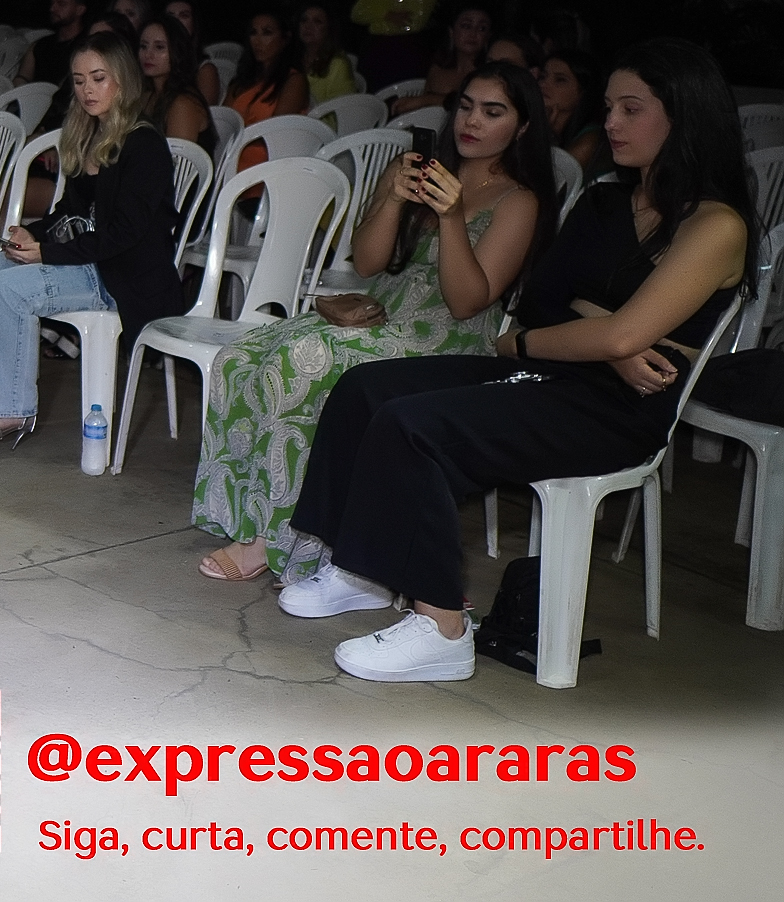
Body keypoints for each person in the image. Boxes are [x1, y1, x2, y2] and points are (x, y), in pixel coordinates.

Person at [282, 38, 752, 682]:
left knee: (414, 427)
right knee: (365, 387)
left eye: (631, 108)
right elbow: (545, 302)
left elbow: (604, 335)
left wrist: (553, 340)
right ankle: (361, 570)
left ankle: (442, 627)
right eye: (609, 107)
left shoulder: (716, 225)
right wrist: (601, 334)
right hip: (551, 373)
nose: (611, 123)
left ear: (685, 116)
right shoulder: (605, 201)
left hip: (616, 410)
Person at [191, 64, 554, 583]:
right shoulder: (419, 168)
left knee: (300, 363)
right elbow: (367, 262)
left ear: (521, 127)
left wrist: (451, 217)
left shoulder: (518, 201)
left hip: (449, 337)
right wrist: (393, 198)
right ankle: (243, 514)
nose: (472, 121)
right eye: (466, 106)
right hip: (384, 308)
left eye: (492, 112)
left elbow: (467, 302)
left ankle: (281, 538)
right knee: (240, 357)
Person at [0, 34, 184, 443]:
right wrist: (34, 234)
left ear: (123, 80)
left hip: (125, 277)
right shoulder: (88, 134)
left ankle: (12, 412)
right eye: (79, 81)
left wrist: (47, 252)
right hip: (92, 260)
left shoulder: (143, 143)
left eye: (98, 78)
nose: (87, 90)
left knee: (10, 288)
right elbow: (69, 211)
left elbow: (123, 235)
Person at [223, 10, 308, 169]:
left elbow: (275, 131)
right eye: (253, 33)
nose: (258, 41)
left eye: (267, 33)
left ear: (285, 39)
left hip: (268, 162)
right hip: (231, 157)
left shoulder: (294, 81)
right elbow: (224, 124)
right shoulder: (241, 81)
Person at [134, 13, 217, 156]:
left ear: (177, 51)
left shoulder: (183, 104)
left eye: (159, 47)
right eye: (143, 46)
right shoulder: (148, 95)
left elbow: (177, 161)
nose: (148, 54)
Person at [391, 6, 491, 117]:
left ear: (487, 37)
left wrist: (427, 100)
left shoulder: (488, 74)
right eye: (466, 26)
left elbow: (472, 106)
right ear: (451, 32)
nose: (473, 33)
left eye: (482, 28)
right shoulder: (437, 69)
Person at [540, 47, 608, 176]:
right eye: (543, 77)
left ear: (583, 91)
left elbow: (553, 180)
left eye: (560, 80)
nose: (543, 84)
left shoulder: (590, 140)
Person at [15, 0, 89, 87]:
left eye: (61, 4)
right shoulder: (40, 45)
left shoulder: (87, 46)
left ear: (80, 10)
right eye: (52, 3)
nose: (52, 9)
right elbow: (23, 77)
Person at [163, 0, 221, 104]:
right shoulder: (155, 62)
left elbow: (207, 110)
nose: (176, 21)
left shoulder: (205, 70)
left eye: (184, 16)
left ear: (194, 23)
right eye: (170, 16)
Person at [297, 3, 355, 104]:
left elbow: (343, 107)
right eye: (304, 20)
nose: (308, 26)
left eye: (317, 21)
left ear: (328, 28)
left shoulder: (338, 64)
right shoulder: (292, 57)